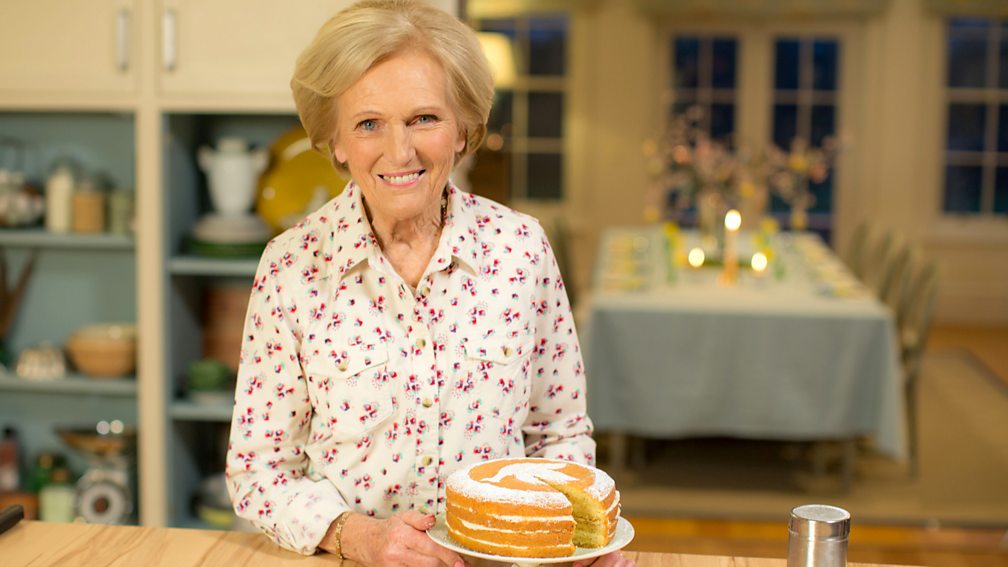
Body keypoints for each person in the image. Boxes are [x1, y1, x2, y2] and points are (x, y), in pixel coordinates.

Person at [226, 1, 632, 566]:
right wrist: (359, 537)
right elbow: (260, 468)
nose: (401, 151)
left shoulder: (522, 250)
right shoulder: (291, 267)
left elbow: (558, 434)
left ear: (464, 130)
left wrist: (576, 543)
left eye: (424, 118)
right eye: (369, 123)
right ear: (336, 141)